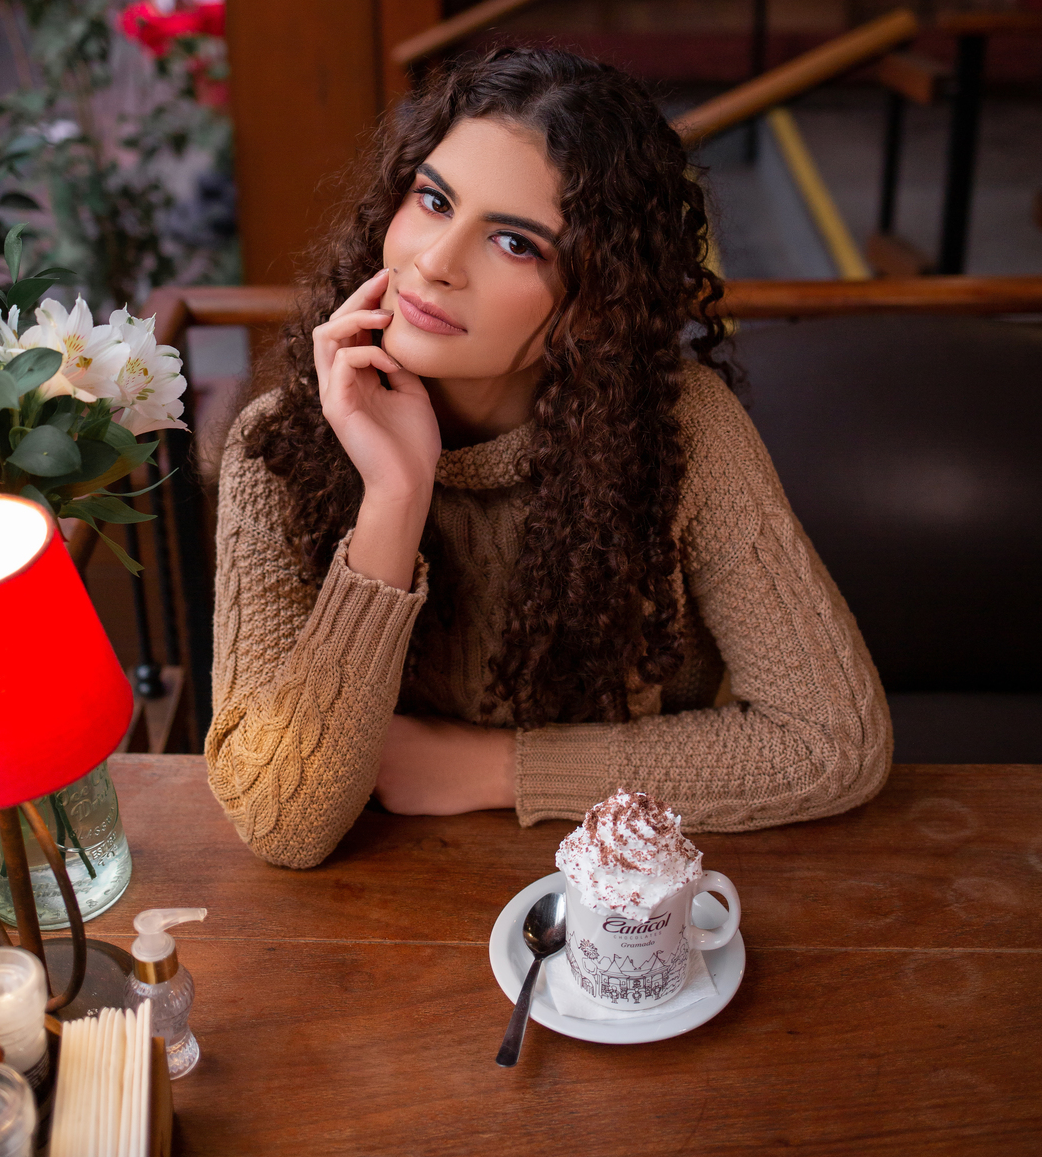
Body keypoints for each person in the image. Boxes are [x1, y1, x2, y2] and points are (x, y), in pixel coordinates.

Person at [208, 47, 891, 868]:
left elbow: (833, 743)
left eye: (516, 244)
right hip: (397, 909)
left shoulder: (681, 429)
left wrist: (495, 769)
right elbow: (283, 822)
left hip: (628, 901)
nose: (433, 262)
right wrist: (395, 496)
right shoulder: (277, 446)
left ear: (597, 304)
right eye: (432, 200)